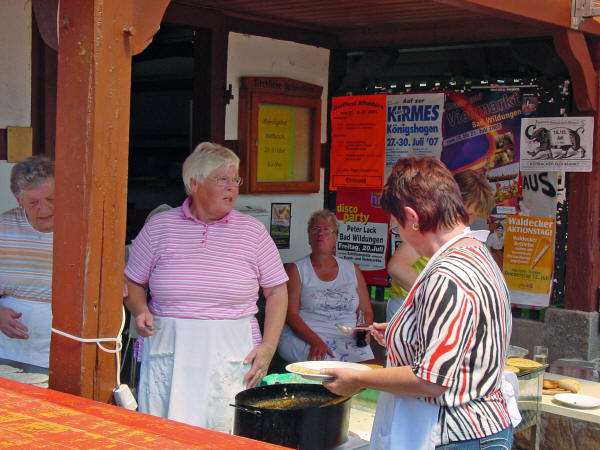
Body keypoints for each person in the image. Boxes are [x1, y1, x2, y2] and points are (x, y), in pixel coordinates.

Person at [322, 157, 512, 449]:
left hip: (458, 435)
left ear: (412, 217)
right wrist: (403, 333)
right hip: (479, 430)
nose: (398, 232)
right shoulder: (475, 251)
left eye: (397, 224)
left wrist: (359, 378)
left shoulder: (448, 275)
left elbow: (431, 379)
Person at [124, 142, 288, 432]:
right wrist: (139, 310)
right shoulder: (159, 227)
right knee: (167, 431)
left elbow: (276, 291)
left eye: (235, 179)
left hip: (233, 346)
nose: (232, 188)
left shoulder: (252, 231)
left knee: (224, 430)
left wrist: (268, 347)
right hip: (171, 345)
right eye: (221, 179)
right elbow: (133, 282)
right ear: (193, 183)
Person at [385, 168, 495, 320]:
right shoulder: (430, 224)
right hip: (410, 309)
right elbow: (397, 267)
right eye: (468, 214)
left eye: (476, 216)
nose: (470, 221)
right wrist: (438, 297)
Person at [278, 209, 374, 363]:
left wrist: (363, 328)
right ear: (309, 237)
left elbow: (366, 311)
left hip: (347, 338)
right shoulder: (296, 270)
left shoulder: (351, 269)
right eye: (315, 229)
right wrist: (315, 341)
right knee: (328, 368)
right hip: (307, 338)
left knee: (368, 374)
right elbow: (291, 315)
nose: (320, 234)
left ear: (336, 237)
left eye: (327, 230)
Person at [0, 156, 54, 368]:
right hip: (8, 352)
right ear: (18, 200)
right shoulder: (3, 228)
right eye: (33, 202)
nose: (44, 209)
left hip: (67, 349)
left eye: (52, 199)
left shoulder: (80, 227)